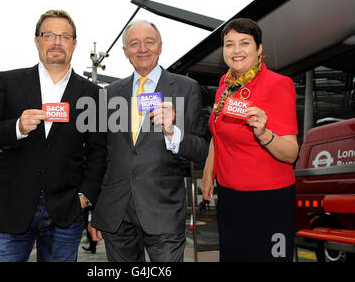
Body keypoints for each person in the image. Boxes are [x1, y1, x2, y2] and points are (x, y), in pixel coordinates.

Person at [0, 10, 107, 262]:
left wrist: (85, 198)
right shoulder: (9, 82)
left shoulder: (94, 94)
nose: (57, 42)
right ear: (37, 40)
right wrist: (17, 128)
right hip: (11, 208)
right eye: (49, 35)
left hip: (66, 213)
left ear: (74, 44)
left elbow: (98, 154)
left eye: (65, 36)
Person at [89, 20, 208, 262]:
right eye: (134, 44)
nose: (142, 49)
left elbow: (201, 150)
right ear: (125, 52)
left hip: (162, 212)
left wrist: (172, 131)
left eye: (149, 42)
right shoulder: (108, 94)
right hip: (116, 216)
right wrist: (94, 213)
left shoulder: (186, 88)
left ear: (160, 46)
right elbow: (99, 157)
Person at [201, 18, 299, 262]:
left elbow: (291, 153)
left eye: (244, 43)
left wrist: (264, 133)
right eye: (229, 44)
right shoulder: (226, 84)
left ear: (259, 48)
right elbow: (218, 134)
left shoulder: (279, 85)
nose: (236, 51)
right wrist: (208, 173)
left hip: (268, 200)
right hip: (230, 196)